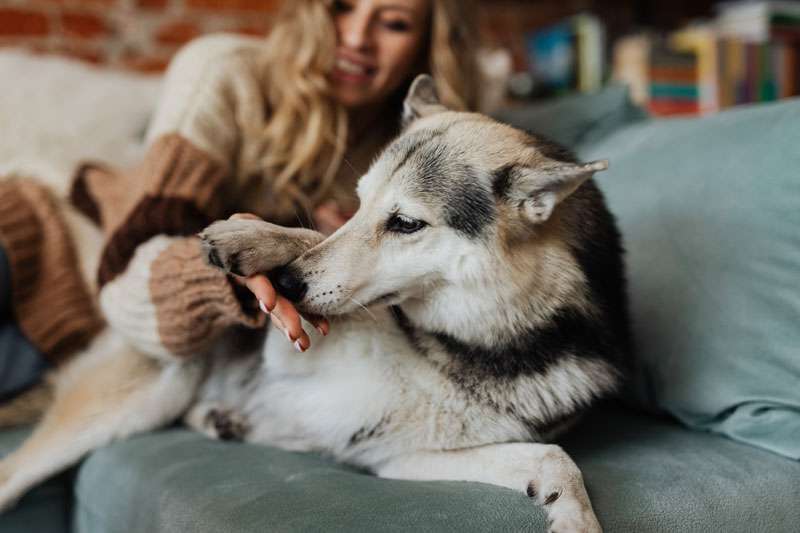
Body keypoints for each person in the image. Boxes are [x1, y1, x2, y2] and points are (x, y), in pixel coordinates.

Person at [0, 0, 480, 398]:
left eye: (394, 23)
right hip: (43, 241)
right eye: (340, 8)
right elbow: (125, 282)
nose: (356, 38)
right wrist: (235, 274)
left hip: (74, 337)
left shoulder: (421, 156)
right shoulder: (224, 73)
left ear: (427, 42)